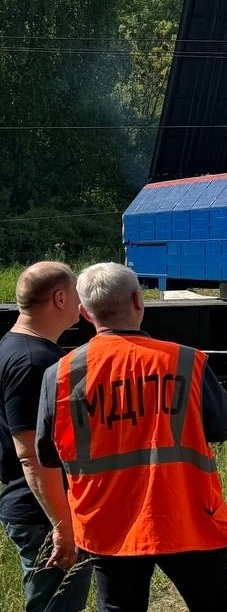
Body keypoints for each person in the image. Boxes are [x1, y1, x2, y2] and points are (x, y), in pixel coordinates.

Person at [36, 263, 227, 612]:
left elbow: (47, 454)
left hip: (107, 521)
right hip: (185, 513)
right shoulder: (186, 361)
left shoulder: (61, 375)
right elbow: (222, 428)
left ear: (84, 312)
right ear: (137, 300)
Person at [0, 262, 91, 612]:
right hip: (43, 512)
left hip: (36, 506)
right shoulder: (33, 363)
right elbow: (31, 455)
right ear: (59, 297)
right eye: (76, 294)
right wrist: (62, 526)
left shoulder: (13, 347)